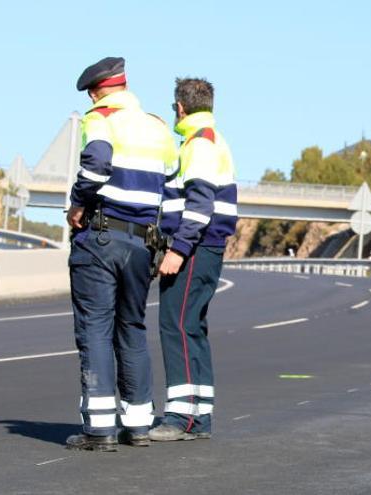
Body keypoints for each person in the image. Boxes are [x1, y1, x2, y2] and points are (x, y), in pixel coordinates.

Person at [65, 57, 177, 451]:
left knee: (95, 328)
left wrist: (79, 203)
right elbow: (174, 191)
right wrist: (172, 243)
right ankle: (139, 425)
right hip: (142, 244)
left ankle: (99, 431)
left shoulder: (102, 118)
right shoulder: (158, 127)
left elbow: (96, 162)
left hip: (100, 236)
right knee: (131, 328)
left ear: (97, 90)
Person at [148, 77, 238, 441]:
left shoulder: (198, 145)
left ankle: (179, 417)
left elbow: (199, 205)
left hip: (195, 249)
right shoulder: (212, 140)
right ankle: (200, 416)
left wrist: (177, 250)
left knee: (177, 326)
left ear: (180, 107)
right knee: (193, 328)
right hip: (207, 248)